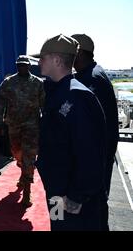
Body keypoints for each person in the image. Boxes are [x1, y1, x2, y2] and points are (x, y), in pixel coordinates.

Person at [36, 34, 107, 231]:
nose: (38, 62)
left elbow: (90, 152)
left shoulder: (77, 97)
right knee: (57, 226)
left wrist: (78, 196)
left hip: (71, 198)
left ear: (57, 60)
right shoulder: (58, 92)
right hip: (57, 192)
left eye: (43, 57)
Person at [72, 33, 119, 231]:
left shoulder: (92, 80)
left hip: (93, 158)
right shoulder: (89, 74)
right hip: (95, 156)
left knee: (94, 206)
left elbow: (88, 129)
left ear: (80, 53)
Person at [0, 55, 45, 207]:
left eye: (24, 65)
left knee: (29, 156)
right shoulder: (8, 82)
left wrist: (47, 124)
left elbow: (44, 104)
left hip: (31, 126)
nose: (22, 67)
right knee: (18, 154)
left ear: (29, 66)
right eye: (19, 65)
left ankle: (27, 192)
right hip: (14, 125)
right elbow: (0, 103)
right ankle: (23, 171)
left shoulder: (37, 83)